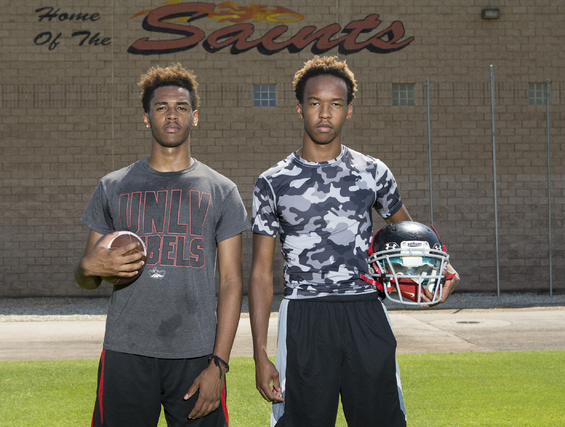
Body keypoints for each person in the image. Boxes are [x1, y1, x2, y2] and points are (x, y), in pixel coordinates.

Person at [248, 56, 460, 427]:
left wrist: (440, 274)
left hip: (365, 311)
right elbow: (261, 273)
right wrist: (259, 354)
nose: (325, 114)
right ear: (300, 109)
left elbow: (409, 238)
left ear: (349, 110)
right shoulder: (272, 181)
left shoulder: (372, 172)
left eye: (336, 104)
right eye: (315, 103)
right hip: (304, 314)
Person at [75, 63, 250, 427]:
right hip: (126, 351)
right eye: (161, 107)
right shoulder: (113, 186)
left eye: (181, 107)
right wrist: (87, 268)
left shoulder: (222, 190)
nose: (172, 114)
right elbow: (88, 274)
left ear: (195, 117)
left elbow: (232, 282)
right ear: (146, 117)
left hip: (196, 354)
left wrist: (218, 364)